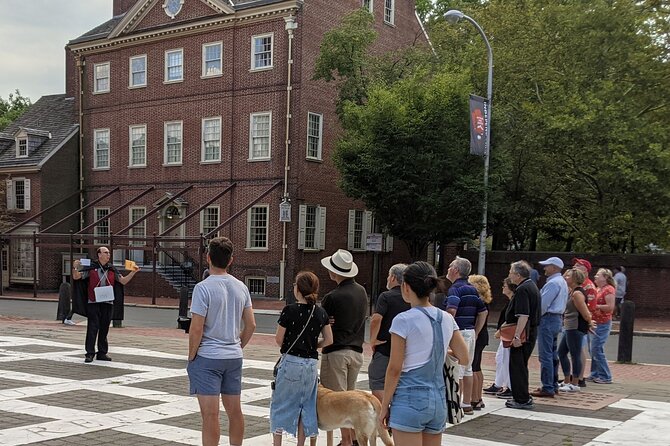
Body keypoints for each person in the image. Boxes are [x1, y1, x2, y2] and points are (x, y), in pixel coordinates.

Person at [379, 261, 468, 446]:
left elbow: (394, 369)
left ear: (405, 286)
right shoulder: (447, 318)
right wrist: (440, 349)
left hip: (408, 398)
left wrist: (384, 406)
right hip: (438, 399)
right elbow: (464, 357)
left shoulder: (403, 320)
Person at [186, 237, 257, 446]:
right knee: (235, 411)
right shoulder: (241, 287)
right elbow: (251, 324)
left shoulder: (203, 288)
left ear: (208, 258)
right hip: (233, 356)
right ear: (231, 260)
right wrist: (237, 345)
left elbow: (196, 327)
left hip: (208, 356)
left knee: (210, 415)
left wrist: (192, 356)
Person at [271, 271, 332, 446]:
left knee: (281, 404)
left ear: (298, 289)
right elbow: (329, 339)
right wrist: (314, 346)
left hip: (291, 361)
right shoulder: (320, 312)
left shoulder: (289, 310)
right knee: (305, 406)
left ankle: (277, 443)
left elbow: (278, 339)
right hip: (311, 364)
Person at [320, 249, 368, 446]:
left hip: (336, 352)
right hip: (356, 351)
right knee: (351, 400)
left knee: (338, 402)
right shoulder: (362, 291)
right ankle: (355, 439)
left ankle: (346, 441)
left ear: (335, 272)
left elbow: (323, 326)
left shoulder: (332, 297)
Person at [72, 246, 140, 363]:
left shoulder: (111, 268)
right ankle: (90, 353)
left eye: (109, 253)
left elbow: (122, 281)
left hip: (107, 302)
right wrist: (75, 267)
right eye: (106, 252)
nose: (108, 255)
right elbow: (76, 277)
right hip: (93, 302)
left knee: (104, 328)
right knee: (93, 328)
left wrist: (133, 272)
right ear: (99, 255)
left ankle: (102, 353)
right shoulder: (91, 267)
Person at [444, 256, 488, 415]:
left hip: (459, 332)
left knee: (456, 368)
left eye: (450, 266)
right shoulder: (472, 289)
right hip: (469, 331)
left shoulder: (455, 289)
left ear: (455, 270)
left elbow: (451, 311)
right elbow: (483, 312)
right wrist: (475, 331)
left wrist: (447, 330)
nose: (448, 269)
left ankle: (455, 403)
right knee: (468, 368)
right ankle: (466, 403)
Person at [368, 263, 410, 403]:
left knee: (378, 380)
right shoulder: (410, 299)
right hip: (406, 349)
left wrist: (373, 340)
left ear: (392, 278)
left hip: (385, 347)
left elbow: (376, 319)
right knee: (400, 382)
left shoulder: (386, 296)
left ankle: (383, 414)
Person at [505, 260, 541, 410]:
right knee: (521, 364)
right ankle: (522, 396)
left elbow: (523, 315)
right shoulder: (531, 286)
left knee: (517, 365)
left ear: (518, 275)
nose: (509, 275)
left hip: (524, 333)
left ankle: (521, 398)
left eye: (511, 273)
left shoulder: (522, 289)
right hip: (531, 331)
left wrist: (517, 336)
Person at [531, 257, 568, 398]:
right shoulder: (562, 282)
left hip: (548, 319)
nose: (544, 268)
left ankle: (547, 387)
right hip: (557, 319)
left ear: (554, 267)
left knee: (545, 354)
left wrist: (534, 318)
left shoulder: (553, 283)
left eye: (547, 266)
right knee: (552, 354)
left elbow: (543, 305)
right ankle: (552, 384)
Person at [557, 268, 593, 392]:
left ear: (575, 279)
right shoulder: (571, 292)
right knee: (561, 352)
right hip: (569, 326)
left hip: (575, 327)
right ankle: (567, 380)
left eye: (568, 276)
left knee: (575, 354)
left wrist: (589, 323)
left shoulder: (577, 294)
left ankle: (575, 382)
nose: (565, 278)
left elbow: (585, 313)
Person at [484, 278, 517, 398]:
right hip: (505, 334)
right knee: (500, 358)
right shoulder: (510, 301)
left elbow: (510, 319)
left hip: (508, 334)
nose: (503, 288)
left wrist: (500, 330)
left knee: (505, 359)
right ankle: (498, 384)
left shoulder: (513, 301)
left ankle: (509, 386)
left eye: (505, 286)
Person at [467, 274, 492, 410]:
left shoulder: (478, 301)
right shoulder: (484, 301)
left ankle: (474, 398)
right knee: (477, 367)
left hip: (478, 335)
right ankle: (478, 397)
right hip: (482, 336)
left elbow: (481, 317)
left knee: (473, 367)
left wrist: (475, 333)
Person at [588, 268, 616, 384]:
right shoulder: (598, 289)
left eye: (598, 275)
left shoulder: (609, 289)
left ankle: (606, 376)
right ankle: (595, 373)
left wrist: (596, 306)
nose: (595, 276)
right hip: (595, 322)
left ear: (605, 277)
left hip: (603, 322)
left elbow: (610, 307)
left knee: (596, 348)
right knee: (593, 348)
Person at [572, 257, 596, 388]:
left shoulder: (588, 286)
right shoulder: (579, 284)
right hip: (574, 320)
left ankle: (579, 377)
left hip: (579, 321)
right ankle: (575, 375)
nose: (574, 267)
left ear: (585, 270)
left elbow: (590, 306)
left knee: (580, 348)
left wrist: (587, 321)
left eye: (578, 265)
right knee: (575, 348)